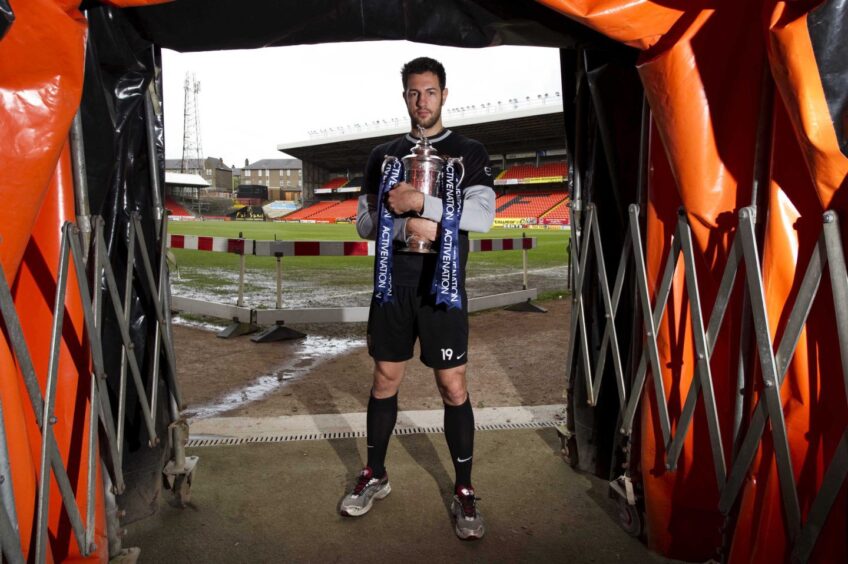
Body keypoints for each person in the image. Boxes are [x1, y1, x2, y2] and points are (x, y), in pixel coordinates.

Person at [341, 56, 495, 541]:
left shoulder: (469, 150)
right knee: (385, 378)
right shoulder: (384, 157)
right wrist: (400, 222)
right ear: (404, 96)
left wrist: (424, 205)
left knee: (452, 386)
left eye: (429, 91)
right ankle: (376, 474)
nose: (421, 101)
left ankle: (465, 489)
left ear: (444, 94)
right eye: (413, 92)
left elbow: (482, 218)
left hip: (443, 286)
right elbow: (365, 223)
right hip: (394, 284)